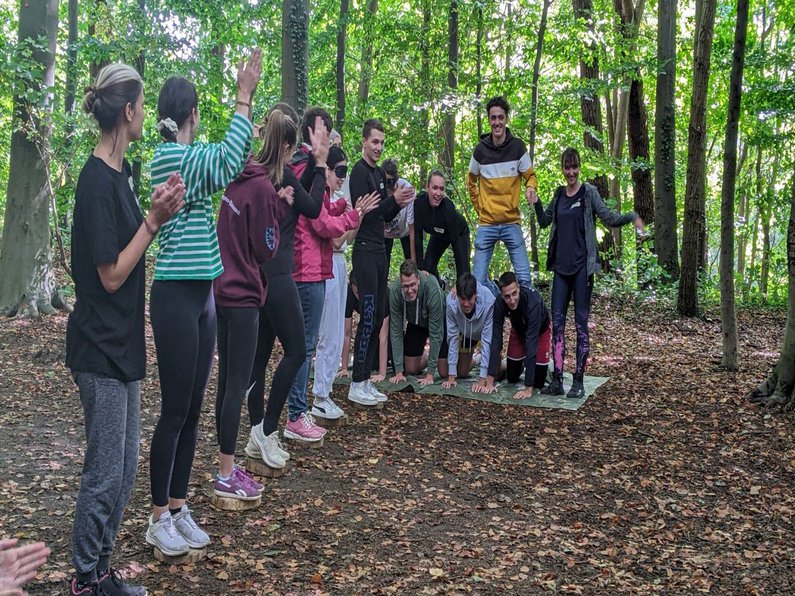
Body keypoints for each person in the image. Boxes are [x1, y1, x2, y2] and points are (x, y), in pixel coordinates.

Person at [66, 63, 185, 595]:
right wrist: (153, 222)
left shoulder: (121, 175)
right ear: (129, 110)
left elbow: (133, 245)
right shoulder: (94, 182)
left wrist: (158, 212)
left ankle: (102, 572)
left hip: (124, 346)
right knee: (104, 472)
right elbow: (111, 274)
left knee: (126, 468)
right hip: (98, 347)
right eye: (142, 104)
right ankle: (85, 579)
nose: (146, 113)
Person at [146, 49, 261, 557]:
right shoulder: (169, 158)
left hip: (204, 297)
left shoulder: (187, 158)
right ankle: (156, 518)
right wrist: (243, 99)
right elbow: (227, 160)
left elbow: (224, 159)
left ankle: (178, 505)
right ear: (191, 115)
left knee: (192, 408)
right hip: (174, 295)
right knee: (173, 409)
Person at [212, 111, 294, 500]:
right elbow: (265, 247)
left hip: (220, 290)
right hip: (244, 296)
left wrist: (272, 207)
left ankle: (225, 464)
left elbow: (236, 227)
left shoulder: (237, 173)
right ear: (288, 148)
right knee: (237, 386)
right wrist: (277, 212)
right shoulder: (262, 187)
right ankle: (228, 473)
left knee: (227, 380)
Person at [244, 104, 328, 454]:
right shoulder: (283, 173)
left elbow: (299, 198)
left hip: (259, 275)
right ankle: (267, 430)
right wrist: (320, 164)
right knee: (295, 351)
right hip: (279, 275)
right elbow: (312, 208)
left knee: (260, 357)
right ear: (288, 146)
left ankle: (254, 433)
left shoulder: (259, 172)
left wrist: (311, 166)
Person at [532, 147, 644, 398]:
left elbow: (610, 218)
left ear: (579, 167)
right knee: (558, 325)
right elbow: (543, 221)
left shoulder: (589, 193)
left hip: (582, 271)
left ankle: (579, 382)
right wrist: (536, 201)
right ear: (562, 169)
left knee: (581, 326)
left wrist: (632, 217)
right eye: (567, 167)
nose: (571, 172)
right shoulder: (559, 194)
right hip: (560, 270)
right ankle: (557, 380)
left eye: (574, 167)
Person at [289, 146, 379, 427]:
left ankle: (320, 395)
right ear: (325, 170)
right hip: (314, 271)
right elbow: (329, 229)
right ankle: (304, 404)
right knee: (313, 340)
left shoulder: (329, 195)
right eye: (339, 171)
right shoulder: (314, 194)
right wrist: (355, 215)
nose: (343, 177)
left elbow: (332, 218)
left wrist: (350, 209)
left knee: (334, 333)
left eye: (345, 171)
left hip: (329, 266)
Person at [347, 119, 413, 405]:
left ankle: (366, 378)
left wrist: (394, 202)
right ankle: (356, 382)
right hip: (363, 249)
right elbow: (369, 214)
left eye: (382, 143)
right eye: (375, 141)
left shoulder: (377, 174)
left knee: (378, 317)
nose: (378, 147)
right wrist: (395, 200)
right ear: (364, 141)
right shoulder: (359, 173)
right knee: (369, 314)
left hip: (380, 250)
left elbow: (383, 216)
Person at [467, 96, 538, 295]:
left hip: (511, 222)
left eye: (500, 117)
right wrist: (479, 208)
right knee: (478, 283)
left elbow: (530, 176)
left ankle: (525, 320)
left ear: (506, 119)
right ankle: (500, 295)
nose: (497, 122)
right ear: (489, 120)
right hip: (487, 223)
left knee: (524, 280)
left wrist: (530, 188)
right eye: (493, 118)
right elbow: (471, 182)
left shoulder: (517, 147)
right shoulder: (480, 151)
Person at [484, 272, 551, 400]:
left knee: (538, 382)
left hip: (540, 331)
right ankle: (514, 362)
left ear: (519, 288)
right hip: (518, 330)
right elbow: (496, 338)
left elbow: (531, 342)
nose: (512, 300)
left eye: (514, 294)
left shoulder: (533, 301)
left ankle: (547, 363)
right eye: (507, 296)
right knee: (512, 377)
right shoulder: (499, 302)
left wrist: (528, 388)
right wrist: (490, 379)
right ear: (502, 295)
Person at [388, 260, 447, 386]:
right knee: (410, 369)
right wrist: (399, 371)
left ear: (419, 279)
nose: (409, 290)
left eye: (412, 285)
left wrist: (430, 374)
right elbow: (395, 330)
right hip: (416, 322)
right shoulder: (395, 291)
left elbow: (436, 334)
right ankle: (427, 356)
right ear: (400, 281)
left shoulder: (432, 288)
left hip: (438, 321)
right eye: (406, 286)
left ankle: (474, 359)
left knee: (444, 372)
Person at [413, 169, 471, 283]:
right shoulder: (419, 205)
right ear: (427, 187)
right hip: (438, 234)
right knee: (428, 267)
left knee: (464, 275)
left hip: (458, 233)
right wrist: (419, 269)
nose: (438, 193)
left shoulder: (448, 208)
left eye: (441, 189)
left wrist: (459, 283)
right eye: (435, 188)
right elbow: (417, 238)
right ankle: (440, 286)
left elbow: (456, 246)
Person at [441, 273, 495, 391]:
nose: (466, 304)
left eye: (469, 299)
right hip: (466, 332)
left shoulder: (489, 300)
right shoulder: (451, 302)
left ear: (476, 294)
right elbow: (452, 338)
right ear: (457, 295)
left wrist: (482, 380)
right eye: (462, 299)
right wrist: (451, 377)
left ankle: (493, 360)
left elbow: (487, 341)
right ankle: (477, 359)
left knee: (497, 373)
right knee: (461, 372)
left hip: (484, 332)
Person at [337, 277, 390, 381]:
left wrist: (382, 374)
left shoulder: (382, 295)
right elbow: (346, 333)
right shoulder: (349, 294)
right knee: (364, 362)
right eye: (357, 293)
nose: (360, 297)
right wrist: (344, 368)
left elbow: (383, 337)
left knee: (374, 361)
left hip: (387, 320)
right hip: (369, 321)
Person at [382, 158, 415, 273]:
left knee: (411, 262)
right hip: (384, 233)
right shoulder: (378, 187)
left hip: (404, 231)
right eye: (386, 181)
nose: (389, 185)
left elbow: (412, 226)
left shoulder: (407, 189)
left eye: (392, 181)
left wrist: (414, 261)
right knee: (383, 267)